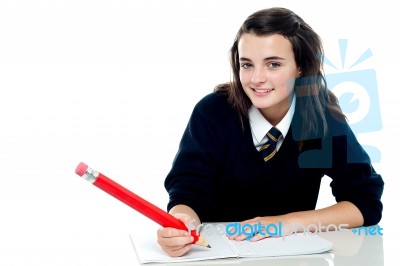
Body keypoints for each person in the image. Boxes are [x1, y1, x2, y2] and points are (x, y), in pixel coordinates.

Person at [156, 7, 384, 257]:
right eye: (247, 65)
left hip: (291, 257)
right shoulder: (213, 112)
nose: (256, 78)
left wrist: (285, 223)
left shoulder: (321, 117)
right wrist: (181, 223)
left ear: (300, 67)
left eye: (273, 64)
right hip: (215, 256)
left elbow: (364, 202)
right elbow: (188, 189)